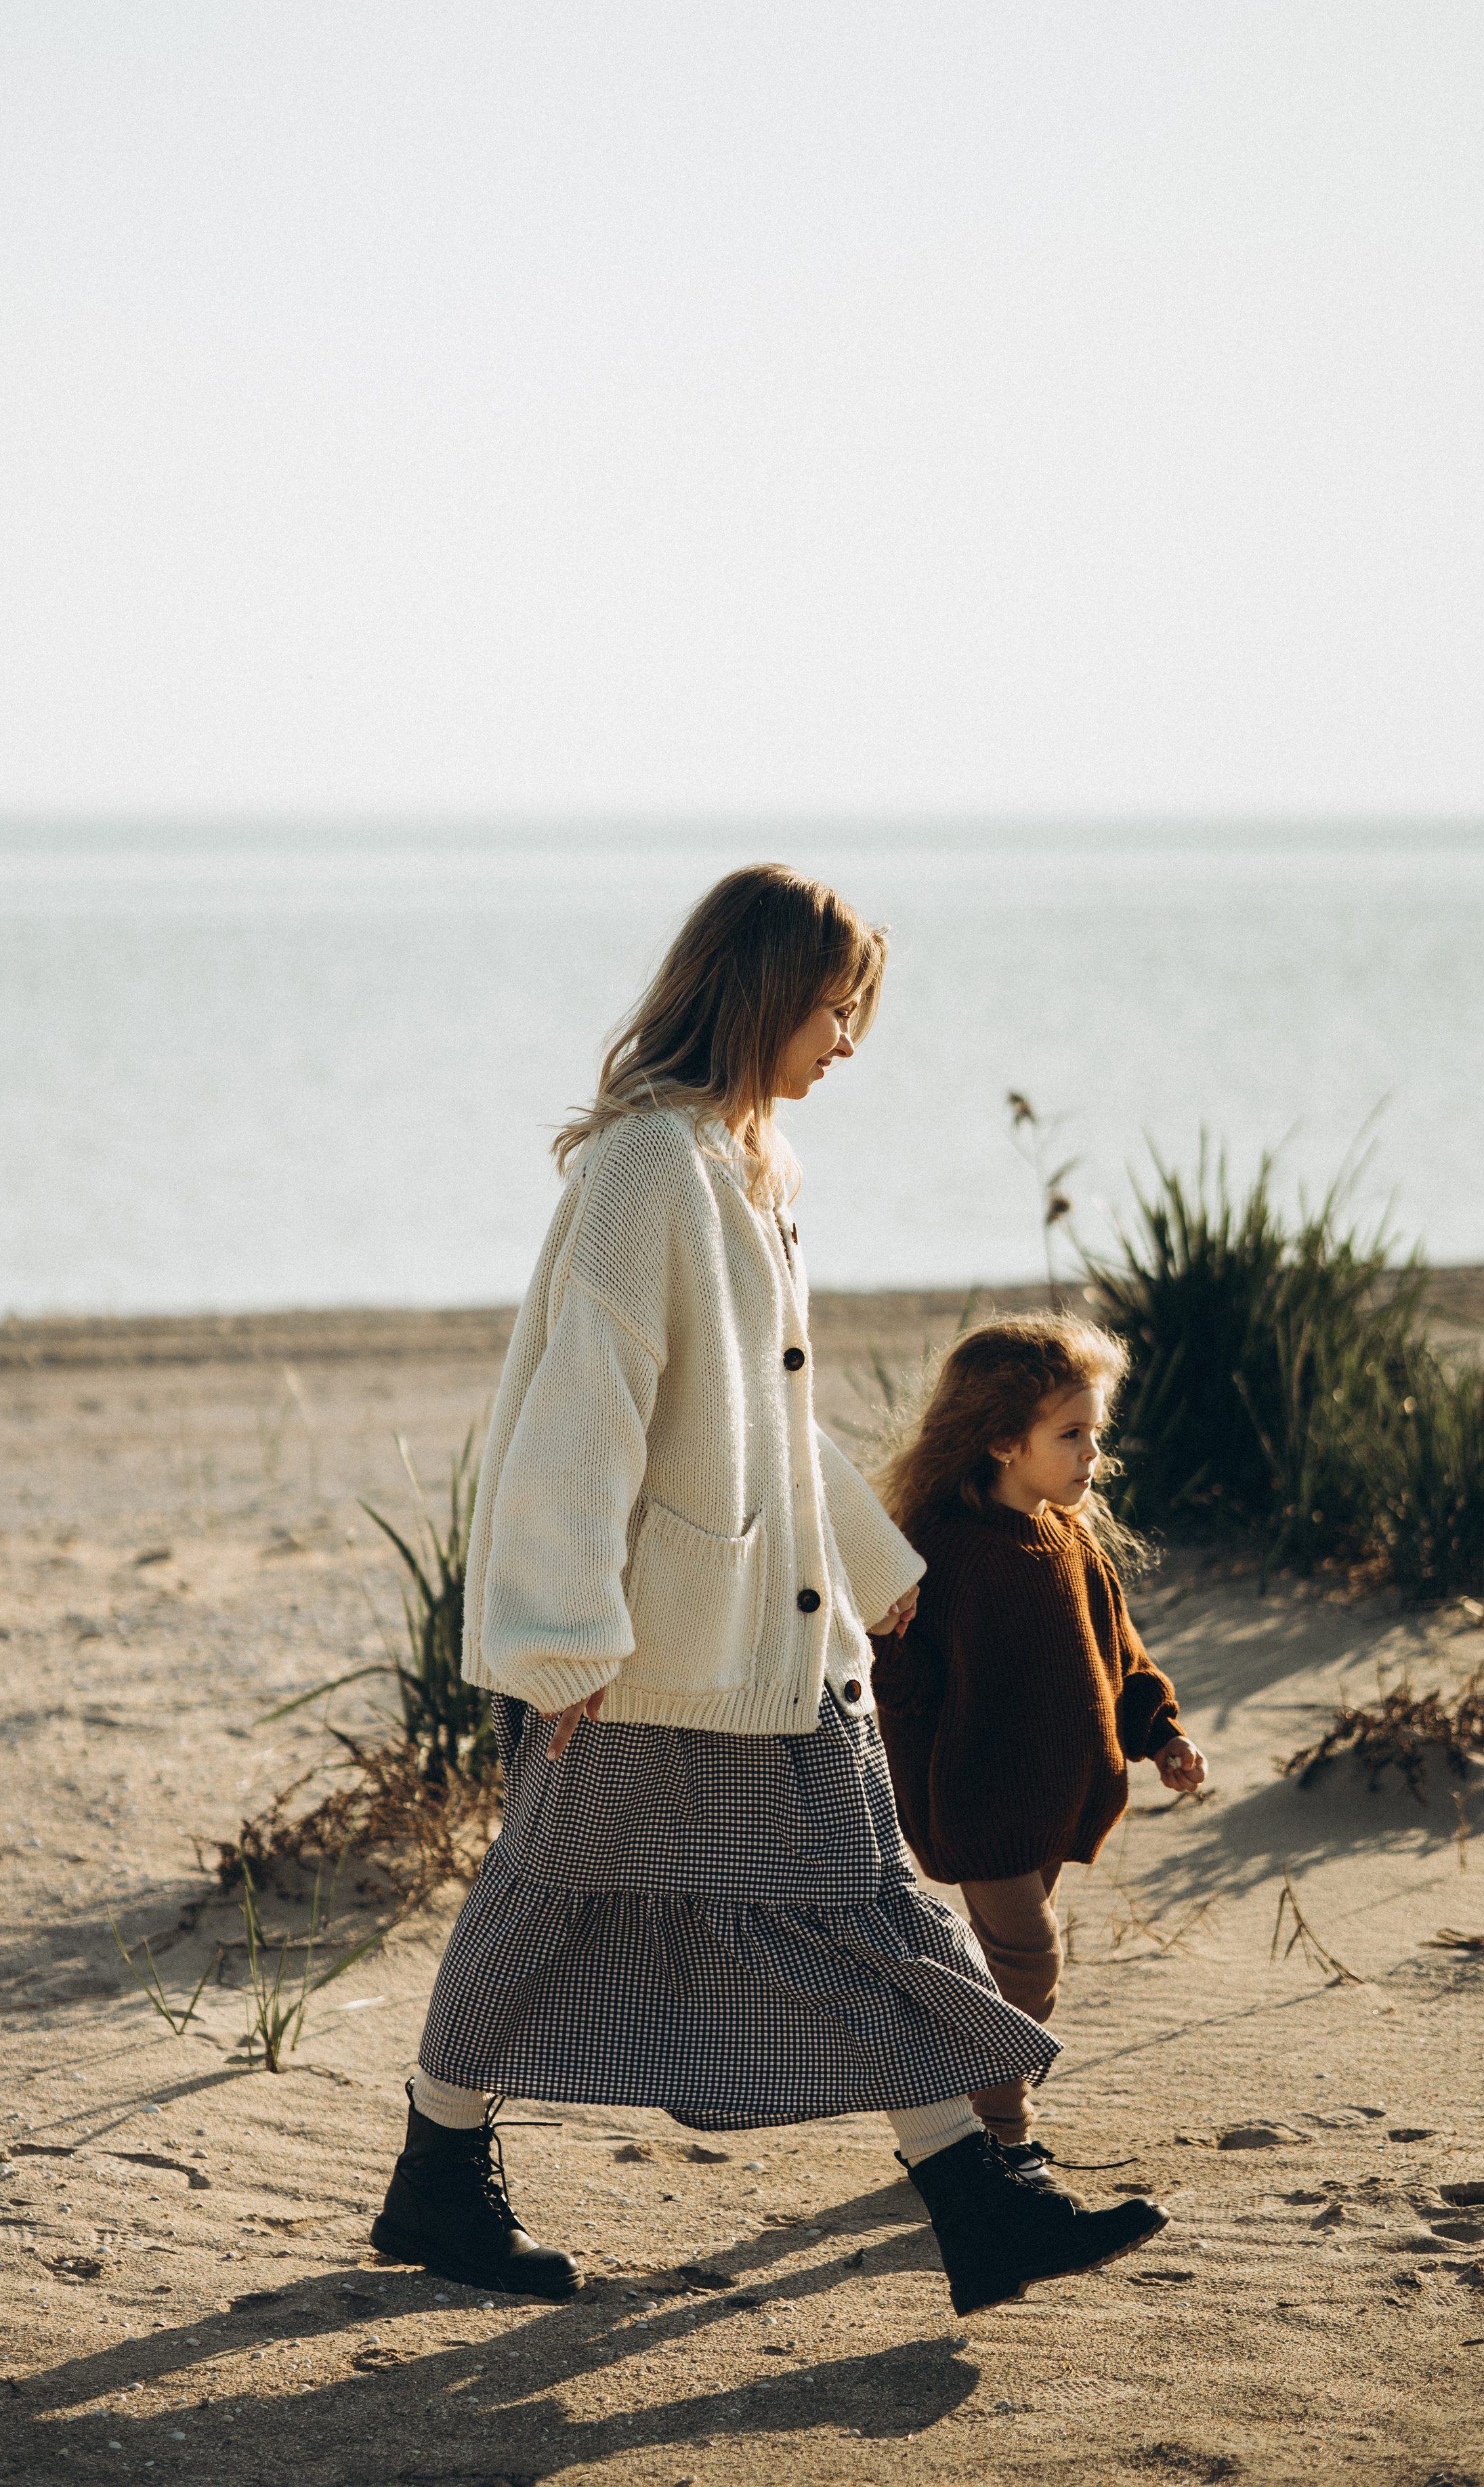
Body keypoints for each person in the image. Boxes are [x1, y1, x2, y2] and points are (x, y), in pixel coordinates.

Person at [371, 865, 1168, 2318]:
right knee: (544, 1903)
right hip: (652, 1653)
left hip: (763, 1638)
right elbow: (582, 1406)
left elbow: (757, 1412)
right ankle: (439, 2177)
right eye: (831, 1008)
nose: (846, 1042)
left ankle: (980, 2203)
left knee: (857, 1900)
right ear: (758, 996)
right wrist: (561, 1638)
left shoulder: (742, 1168)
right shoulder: (644, 1171)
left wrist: (869, 1563)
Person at [871, 1315, 1208, 2170]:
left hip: (1055, 1798)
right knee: (1029, 1966)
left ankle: (956, 2102)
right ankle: (998, 2136)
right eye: (1071, 1434)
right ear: (1000, 1442)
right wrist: (885, 1635)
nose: (1093, 1453)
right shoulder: (940, 1555)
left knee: (1007, 1969)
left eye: (1095, 1432)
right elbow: (897, 1686)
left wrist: (1160, 1734)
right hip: (979, 1801)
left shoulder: (1072, 1542)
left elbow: (1120, 1656)